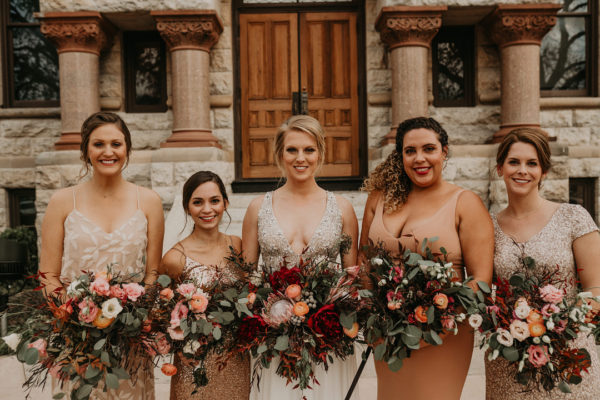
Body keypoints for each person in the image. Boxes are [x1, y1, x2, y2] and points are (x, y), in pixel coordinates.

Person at [360, 117, 494, 400]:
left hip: (442, 335)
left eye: (429, 149)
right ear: (401, 156)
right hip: (387, 333)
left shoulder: (465, 203)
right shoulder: (379, 198)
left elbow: (481, 280)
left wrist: (436, 323)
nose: (420, 158)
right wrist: (371, 314)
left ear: (444, 151)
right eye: (410, 151)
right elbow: (365, 260)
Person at [39, 111, 164, 399]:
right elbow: (48, 277)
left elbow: (152, 274)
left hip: (130, 341)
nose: (108, 152)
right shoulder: (61, 202)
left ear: (127, 149)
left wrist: (131, 318)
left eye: (116, 144)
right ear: (85, 150)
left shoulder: (148, 201)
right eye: (98, 144)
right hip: (77, 340)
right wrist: (76, 317)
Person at [242, 115, 359, 400]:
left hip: (328, 338)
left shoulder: (342, 208)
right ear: (279, 154)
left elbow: (351, 277)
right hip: (274, 341)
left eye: (309, 149)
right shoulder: (258, 208)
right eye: (292, 149)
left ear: (320, 152)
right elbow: (248, 278)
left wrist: (332, 317)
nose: (300, 158)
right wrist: (268, 318)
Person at [486, 127, 600, 399]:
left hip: (567, 356)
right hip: (508, 360)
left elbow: (596, 288)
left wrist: (558, 328)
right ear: (500, 168)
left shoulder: (573, 217)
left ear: (544, 172)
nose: (522, 170)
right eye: (514, 162)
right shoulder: (486, 226)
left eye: (532, 163)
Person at [160, 171, 251, 400]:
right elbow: (161, 313)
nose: (207, 209)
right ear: (187, 207)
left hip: (235, 360)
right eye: (197, 202)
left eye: (214, 201)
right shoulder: (174, 258)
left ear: (225, 203)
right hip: (194, 363)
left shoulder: (238, 247)